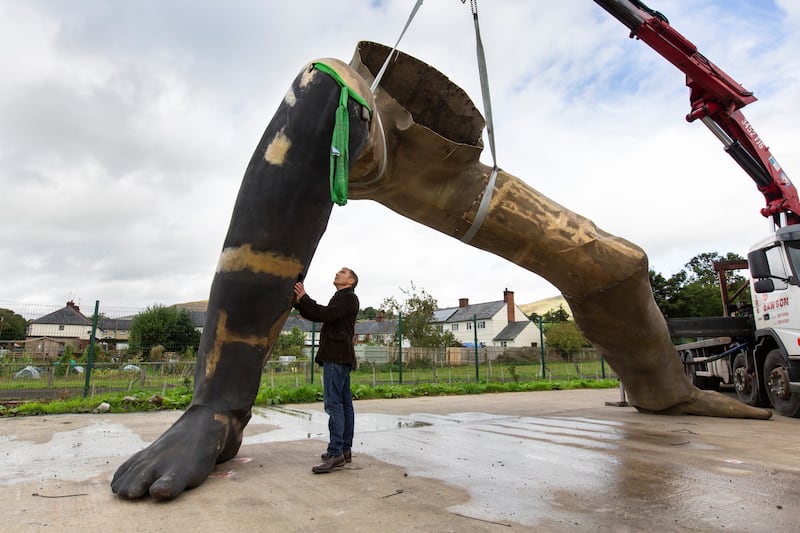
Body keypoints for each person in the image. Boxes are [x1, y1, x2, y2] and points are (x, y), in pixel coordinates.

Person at [293, 267, 359, 473]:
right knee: (344, 404)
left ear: (351, 281)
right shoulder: (341, 296)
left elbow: (325, 314)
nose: (337, 274)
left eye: (343, 273)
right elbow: (320, 314)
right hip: (340, 356)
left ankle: (336, 452)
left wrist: (304, 298)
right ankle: (345, 450)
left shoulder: (348, 298)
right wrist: (301, 302)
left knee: (334, 405)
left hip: (337, 357)